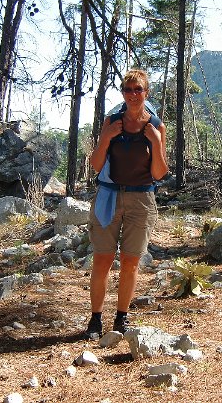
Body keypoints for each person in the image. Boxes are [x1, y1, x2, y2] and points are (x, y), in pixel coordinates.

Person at [84, 69, 169, 339]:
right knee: (102, 259)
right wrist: (106, 138)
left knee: (130, 262)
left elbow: (159, 173)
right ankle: (95, 320)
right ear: (123, 93)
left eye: (138, 89)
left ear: (146, 92)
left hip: (141, 199)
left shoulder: (155, 126)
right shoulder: (112, 122)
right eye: (128, 90)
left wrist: (156, 142)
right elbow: (96, 165)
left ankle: (121, 318)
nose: (133, 95)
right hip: (108, 196)